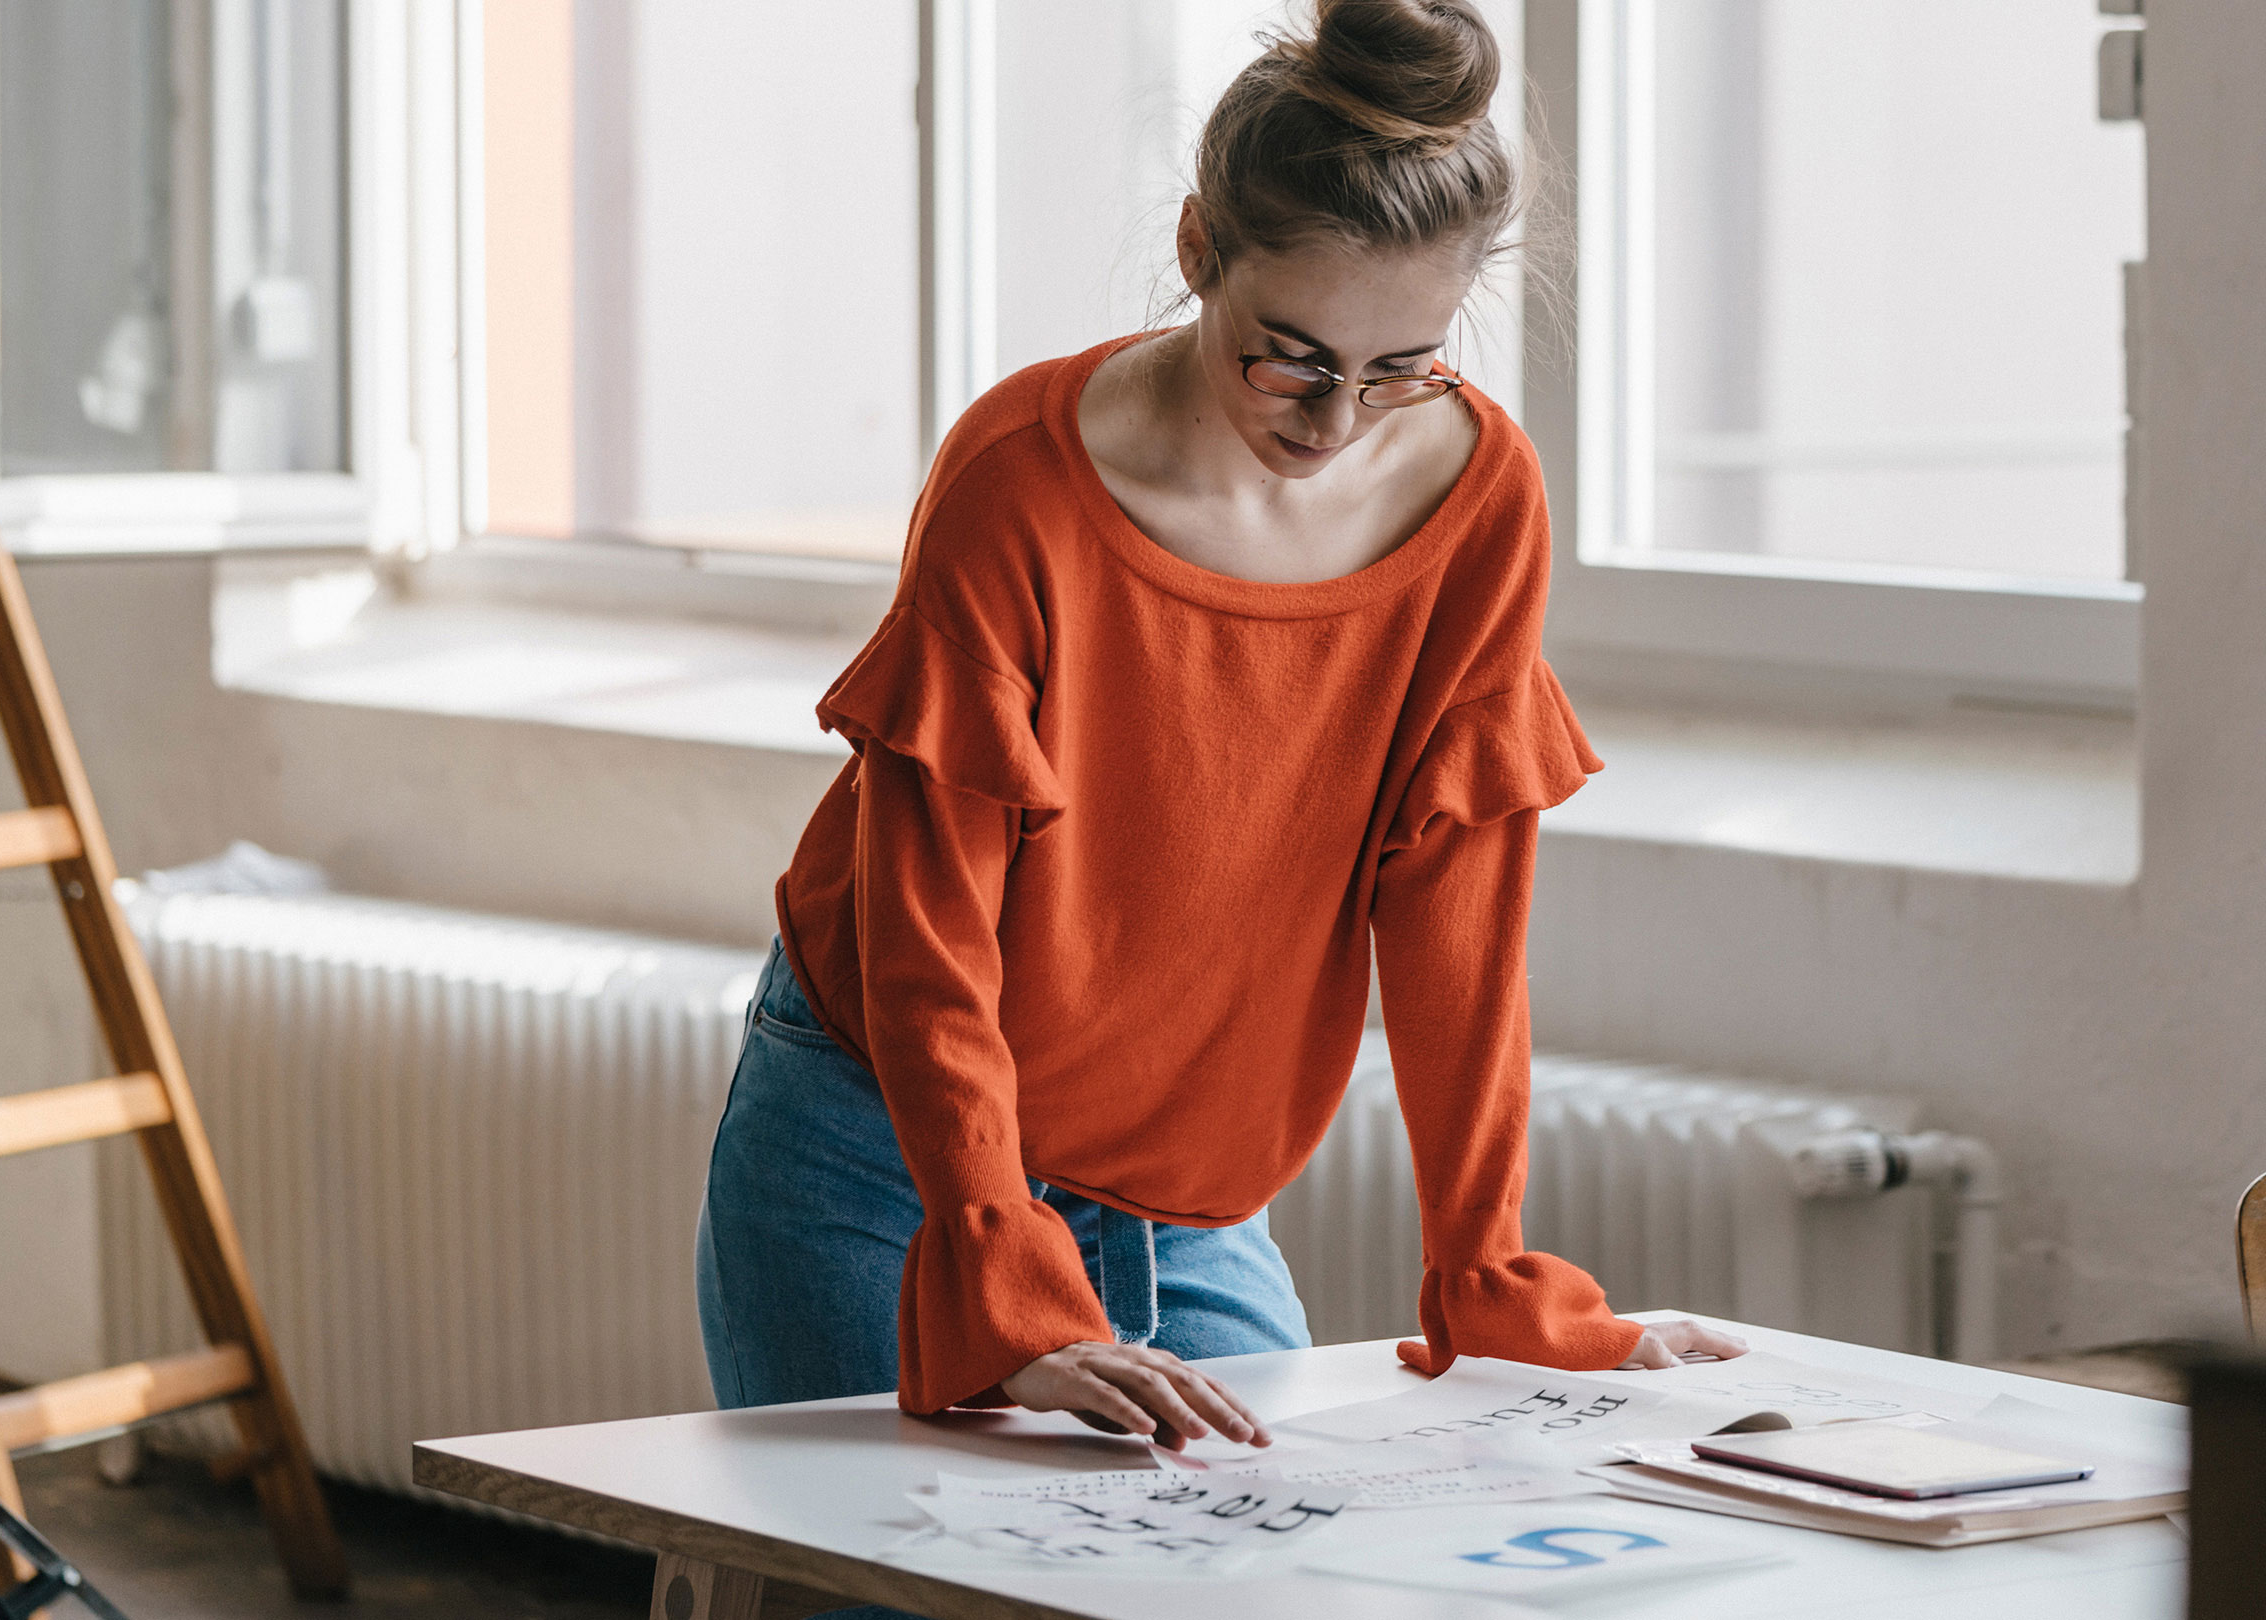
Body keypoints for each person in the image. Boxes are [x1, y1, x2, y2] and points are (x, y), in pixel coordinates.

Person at [696, 0, 1745, 1468]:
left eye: (1401, 368)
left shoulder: (1479, 500)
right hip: (890, 1149)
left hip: (1187, 1190)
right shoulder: (1022, 482)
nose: (1337, 422)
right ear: (1199, 251)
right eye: (1291, 358)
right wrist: (1001, 1269)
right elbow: (930, 920)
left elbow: (1456, 920)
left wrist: (1486, 1273)